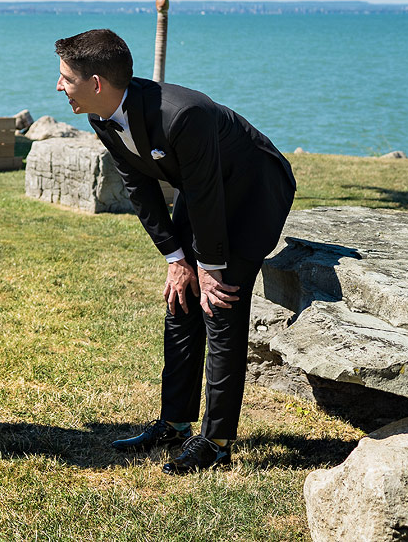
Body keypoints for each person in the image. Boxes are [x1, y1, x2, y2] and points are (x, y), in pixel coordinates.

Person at [54, 29, 295, 473]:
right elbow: (138, 187)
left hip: (254, 192)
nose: (59, 86)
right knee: (180, 300)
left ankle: (217, 441)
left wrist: (210, 267)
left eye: (66, 77)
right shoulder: (100, 115)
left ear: (97, 83)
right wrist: (176, 260)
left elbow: (205, 196)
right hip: (205, 194)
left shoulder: (184, 115)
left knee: (220, 306)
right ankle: (175, 424)